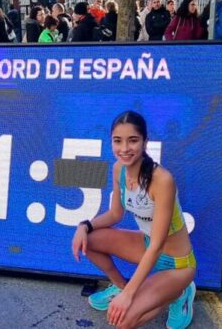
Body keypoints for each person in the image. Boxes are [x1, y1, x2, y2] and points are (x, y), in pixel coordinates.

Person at [71, 111, 196, 329]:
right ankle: (120, 286)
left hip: (176, 263)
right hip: (146, 245)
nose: (124, 148)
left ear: (145, 142)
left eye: (133, 140)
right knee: (88, 240)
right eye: (117, 141)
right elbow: (115, 215)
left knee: (123, 321)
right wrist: (84, 225)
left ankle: (179, 293)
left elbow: (158, 244)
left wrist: (130, 296)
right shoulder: (119, 169)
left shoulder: (162, 180)